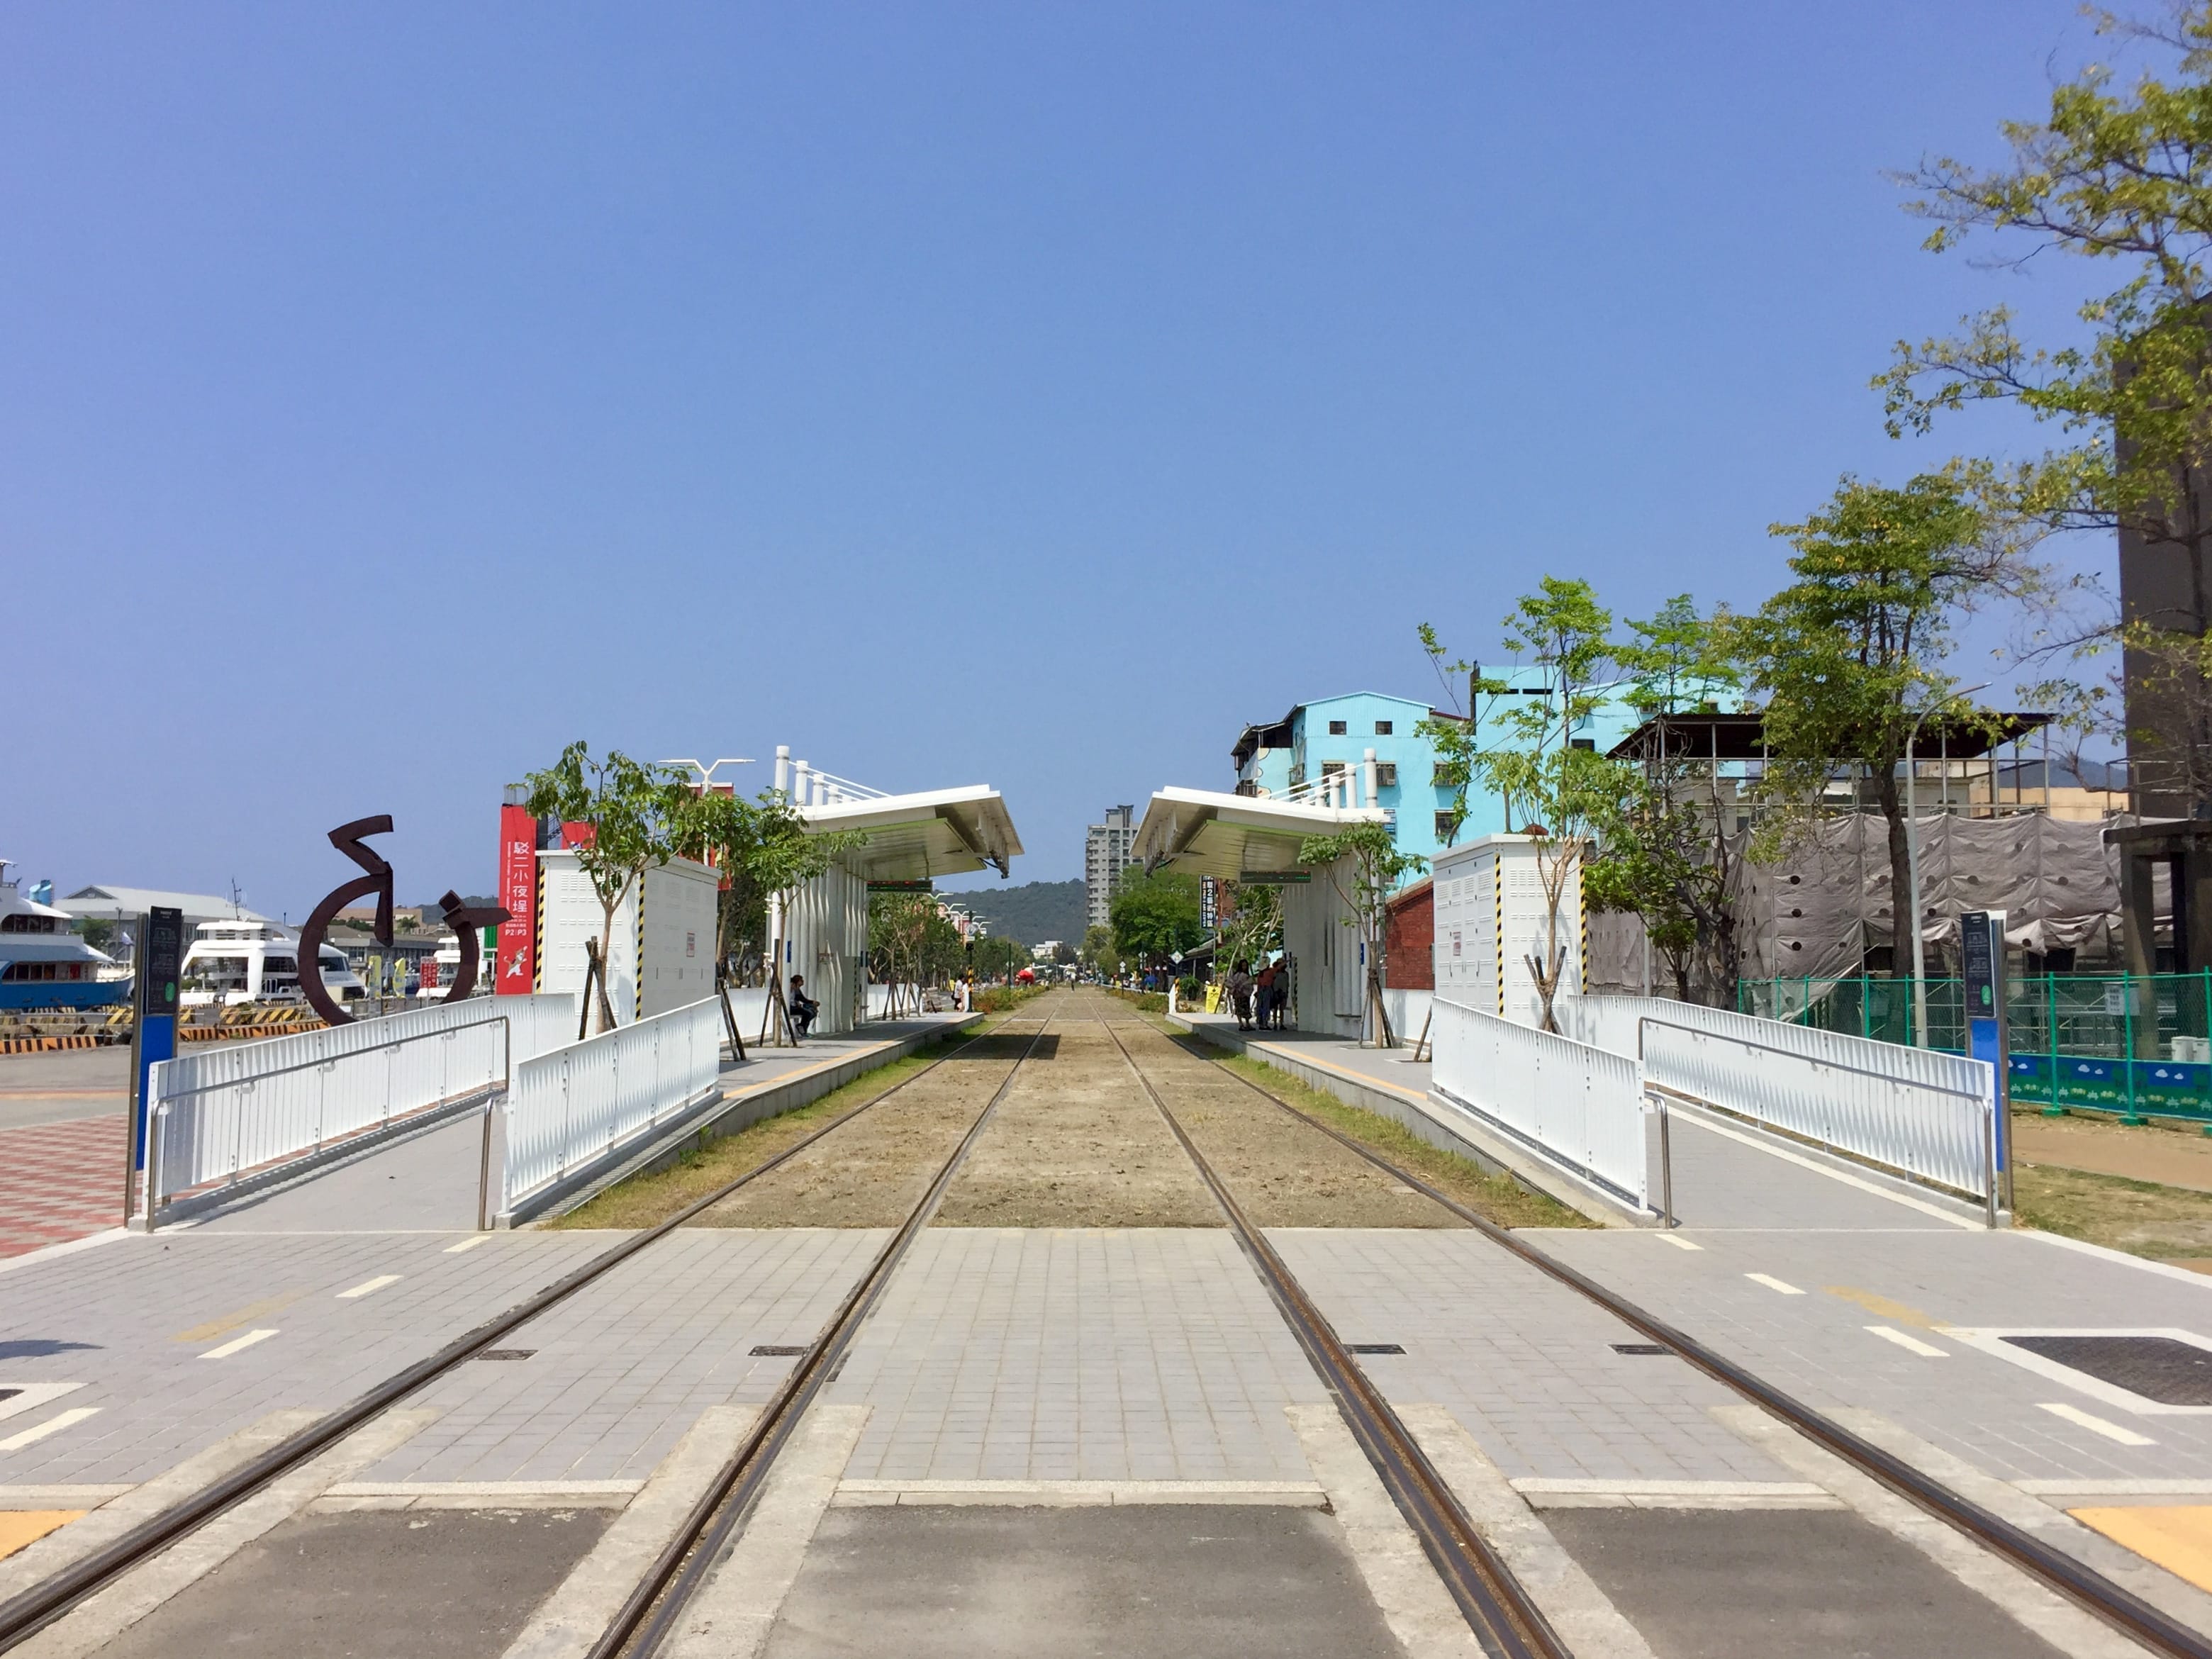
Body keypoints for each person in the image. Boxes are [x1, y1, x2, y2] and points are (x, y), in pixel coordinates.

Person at [786, 973, 819, 1039]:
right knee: (808, 1013)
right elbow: (800, 999)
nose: (798, 988)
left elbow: (801, 998)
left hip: (795, 1006)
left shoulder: (795, 990)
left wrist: (812, 1002)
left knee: (812, 1012)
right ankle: (801, 1027)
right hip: (791, 1008)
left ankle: (803, 1029)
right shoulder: (788, 990)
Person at [1229, 960, 1254, 1031]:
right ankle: (1241, 1024)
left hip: (1244, 995)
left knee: (1246, 1009)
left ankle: (1247, 1024)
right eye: (1243, 966)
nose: (1244, 967)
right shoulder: (1238, 975)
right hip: (1238, 994)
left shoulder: (1246, 975)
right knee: (1239, 1009)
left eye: (1245, 965)